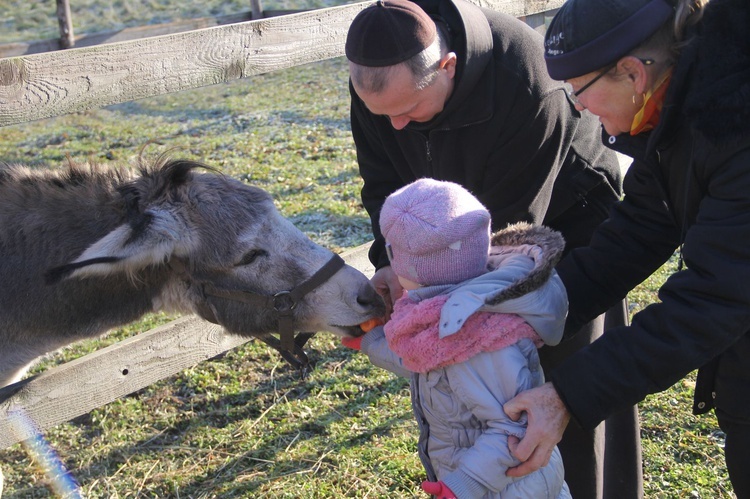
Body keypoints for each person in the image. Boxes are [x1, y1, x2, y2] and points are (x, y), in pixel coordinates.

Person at [344, 1, 643, 497]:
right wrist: (392, 262)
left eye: (408, 110)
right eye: (382, 114)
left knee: (558, 381)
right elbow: (383, 187)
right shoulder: (381, 80)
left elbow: (509, 227)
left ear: (448, 67)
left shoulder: (527, 77)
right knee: (476, 392)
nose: (395, 126)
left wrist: (422, 289)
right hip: (441, 245)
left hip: (550, 234)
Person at [502, 0, 750, 495]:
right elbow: (639, 228)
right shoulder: (685, 109)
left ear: (634, 73)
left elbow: (712, 300)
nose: (581, 112)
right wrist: (530, 315)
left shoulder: (737, 131)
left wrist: (567, 396)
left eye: (581, 94)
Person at [344, 178, 571, 498]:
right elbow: (426, 361)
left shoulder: (477, 335)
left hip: (506, 487)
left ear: (407, 263)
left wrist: (465, 485)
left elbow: (517, 426)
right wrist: (374, 343)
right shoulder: (445, 313)